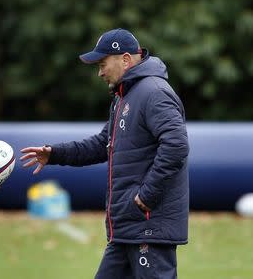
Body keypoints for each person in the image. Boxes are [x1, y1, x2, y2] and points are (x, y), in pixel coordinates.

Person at [20, 28, 189, 279]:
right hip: (127, 228)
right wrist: (55, 154)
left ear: (125, 59)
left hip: (147, 226)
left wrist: (146, 196)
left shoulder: (153, 92)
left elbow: (176, 145)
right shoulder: (125, 96)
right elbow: (103, 144)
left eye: (102, 64)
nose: (99, 72)